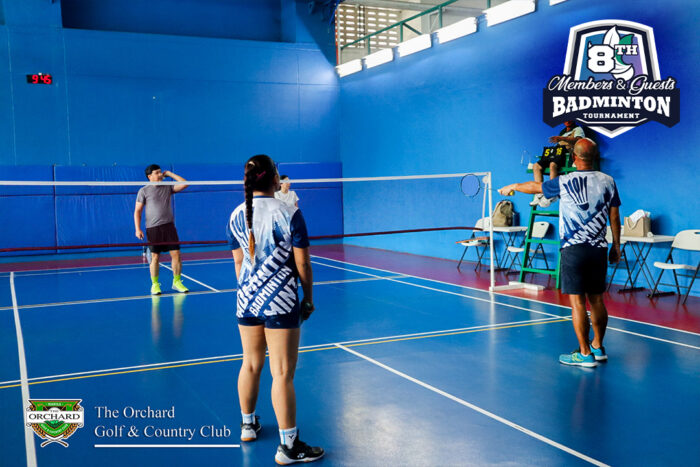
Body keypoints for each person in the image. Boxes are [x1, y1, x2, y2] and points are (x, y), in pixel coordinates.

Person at [226, 155, 323, 464]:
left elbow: (239, 263)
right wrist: (308, 298)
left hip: (246, 298)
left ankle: (248, 425)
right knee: (281, 373)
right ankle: (289, 447)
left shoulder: (236, 215)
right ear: (274, 179)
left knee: (250, 363)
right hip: (280, 301)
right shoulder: (289, 213)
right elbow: (303, 264)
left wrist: (250, 293)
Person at [499, 138, 621, 368]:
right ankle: (597, 346)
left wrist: (513, 186)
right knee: (597, 300)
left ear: (574, 158)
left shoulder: (565, 181)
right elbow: (614, 217)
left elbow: (534, 187)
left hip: (573, 250)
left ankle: (584, 353)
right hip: (598, 250)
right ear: (594, 157)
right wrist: (616, 246)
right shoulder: (608, 181)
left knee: (578, 303)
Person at [134, 165, 189, 295]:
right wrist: (137, 229)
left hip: (169, 226)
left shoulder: (167, 187)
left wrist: (170, 174)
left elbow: (185, 183)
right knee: (155, 257)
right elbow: (137, 211)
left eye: (160, 172)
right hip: (153, 228)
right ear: (149, 176)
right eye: (157, 173)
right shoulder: (143, 191)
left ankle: (177, 282)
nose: (160, 174)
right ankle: (155, 285)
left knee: (176, 254)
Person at [531, 120, 585, 207]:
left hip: (567, 156)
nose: (567, 121)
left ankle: (552, 193)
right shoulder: (563, 132)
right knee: (536, 166)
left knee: (552, 165)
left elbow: (579, 141)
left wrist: (562, 138)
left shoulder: (578, 129)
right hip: (557, 153)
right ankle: (539, 194)